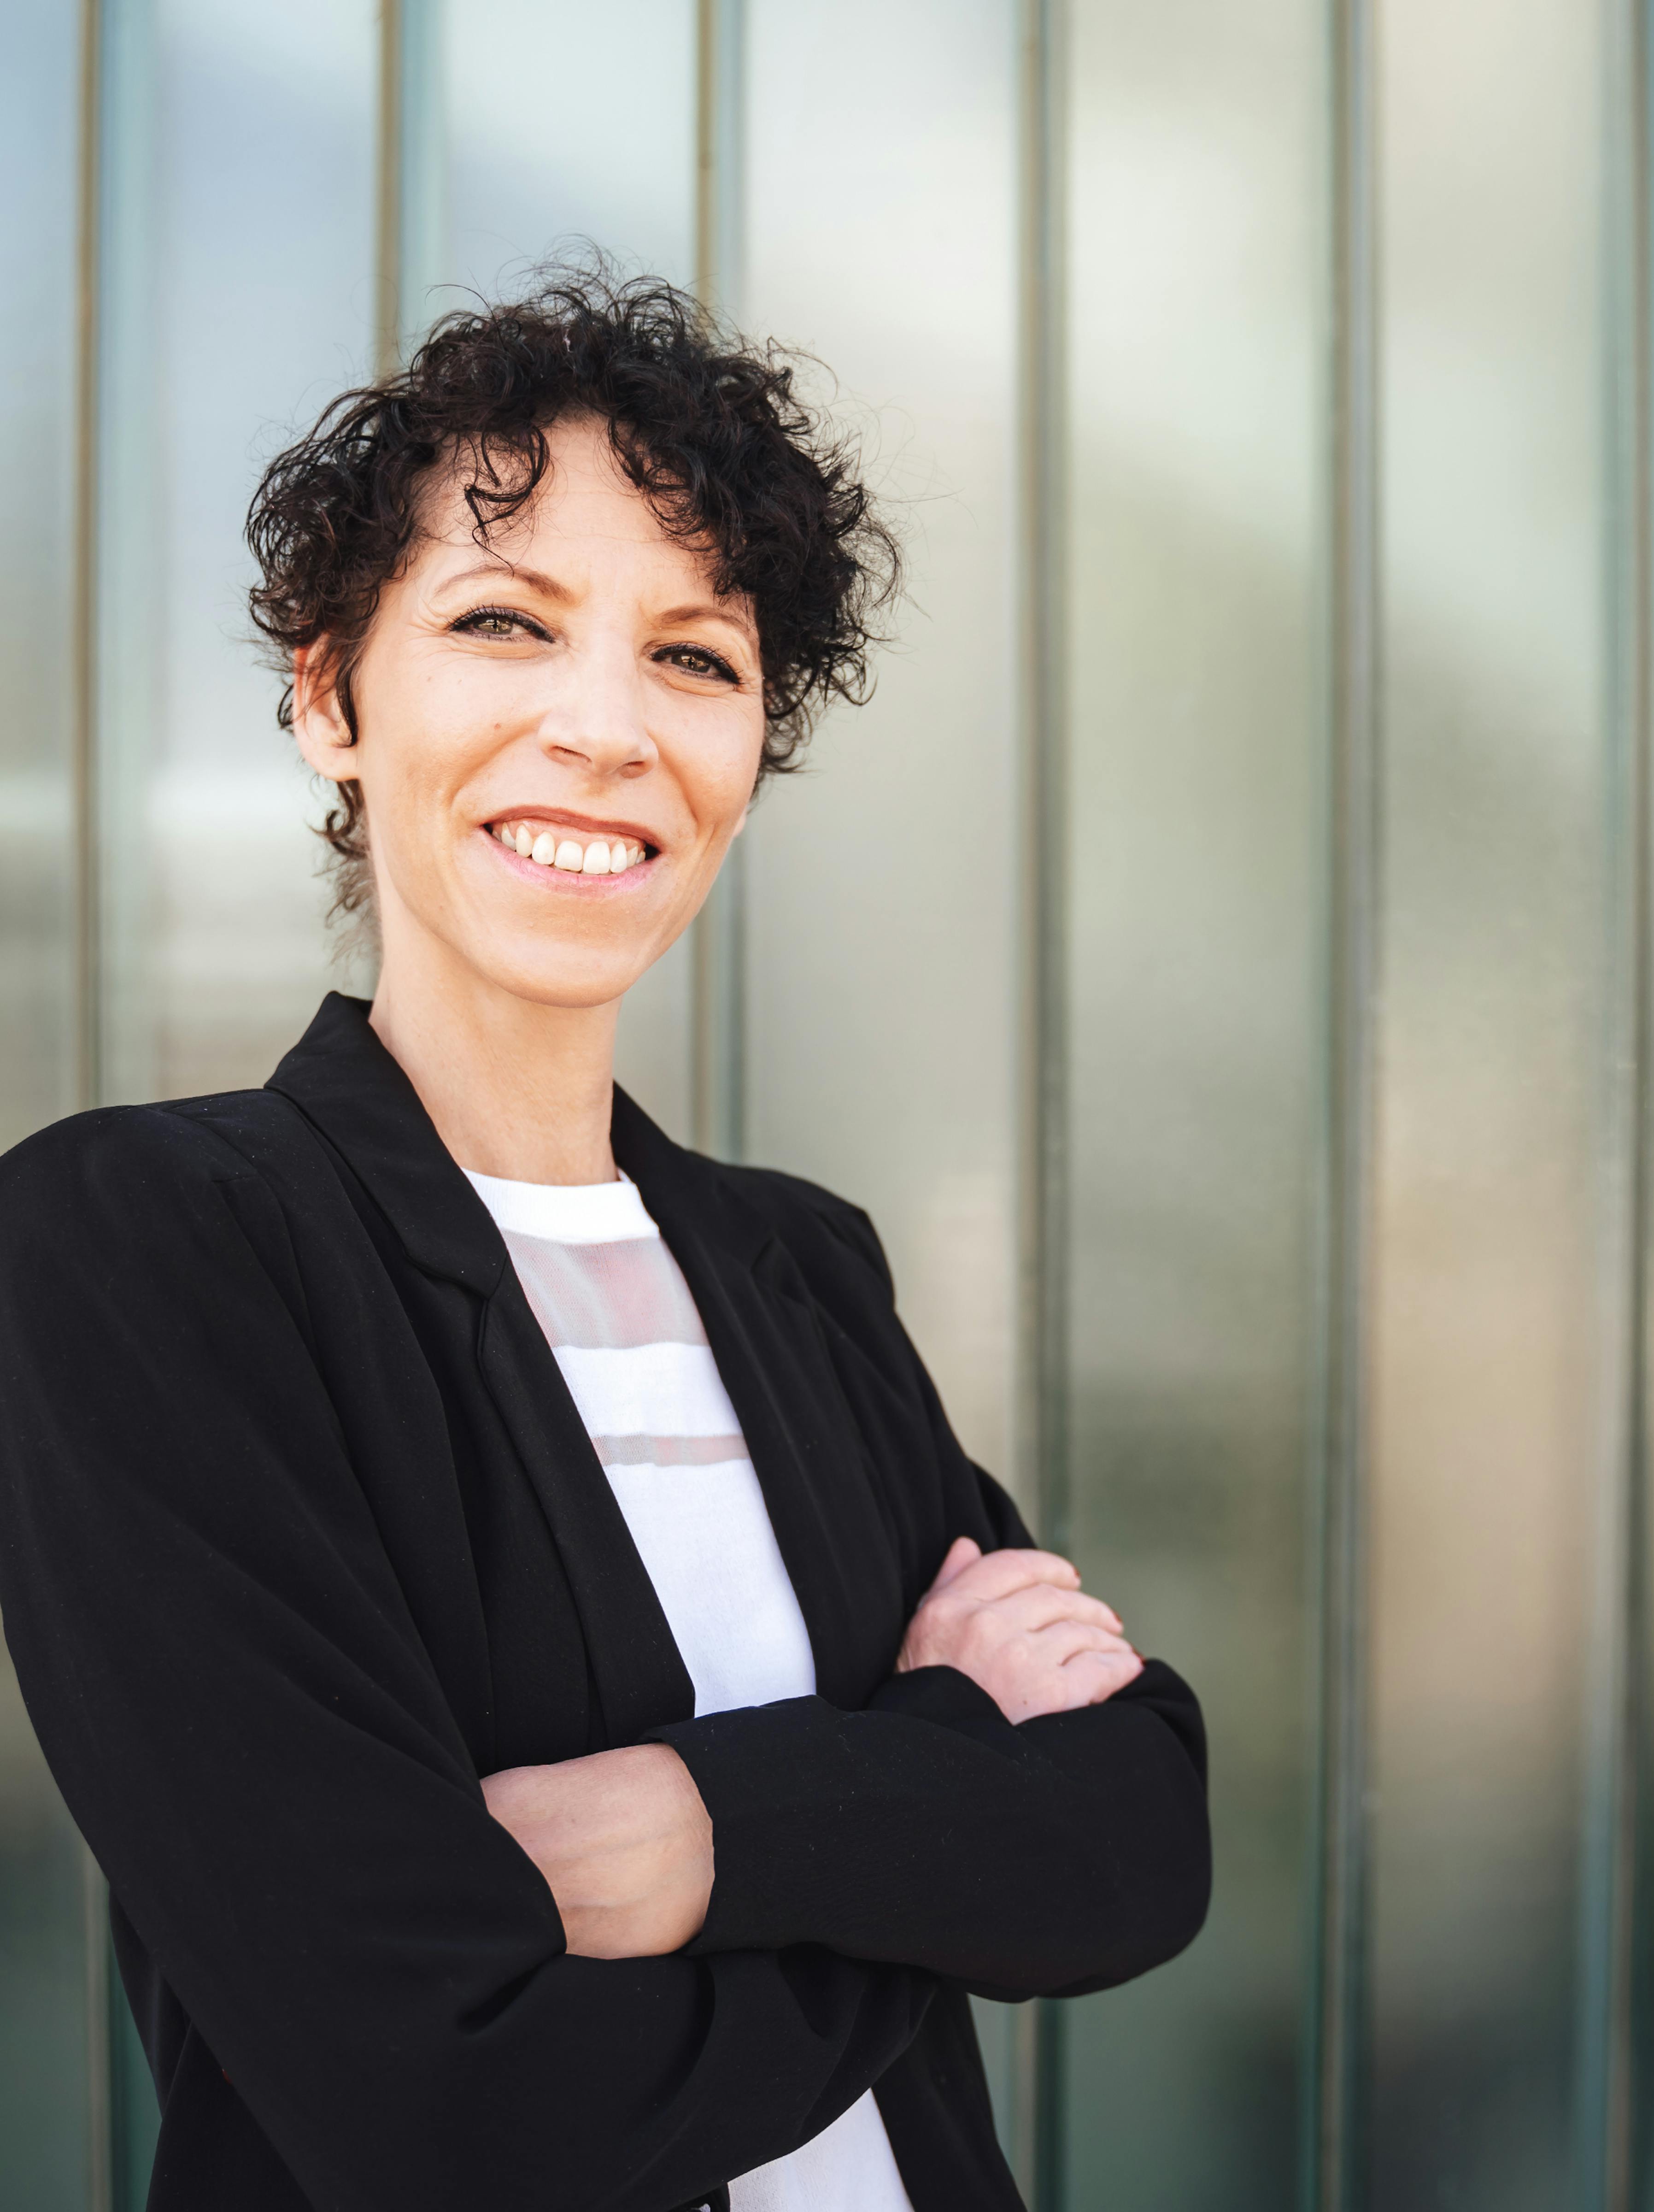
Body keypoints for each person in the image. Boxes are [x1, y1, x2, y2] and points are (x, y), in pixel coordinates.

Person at [0, 272, 1208, 2212]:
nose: (606, 731)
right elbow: (442, 2099)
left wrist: (690, 1829)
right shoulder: (147, 1247)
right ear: (329, 694)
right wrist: (930, 1784)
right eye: (503, 624)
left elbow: (1137, 1834)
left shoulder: (799, 1269)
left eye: (694, 659)